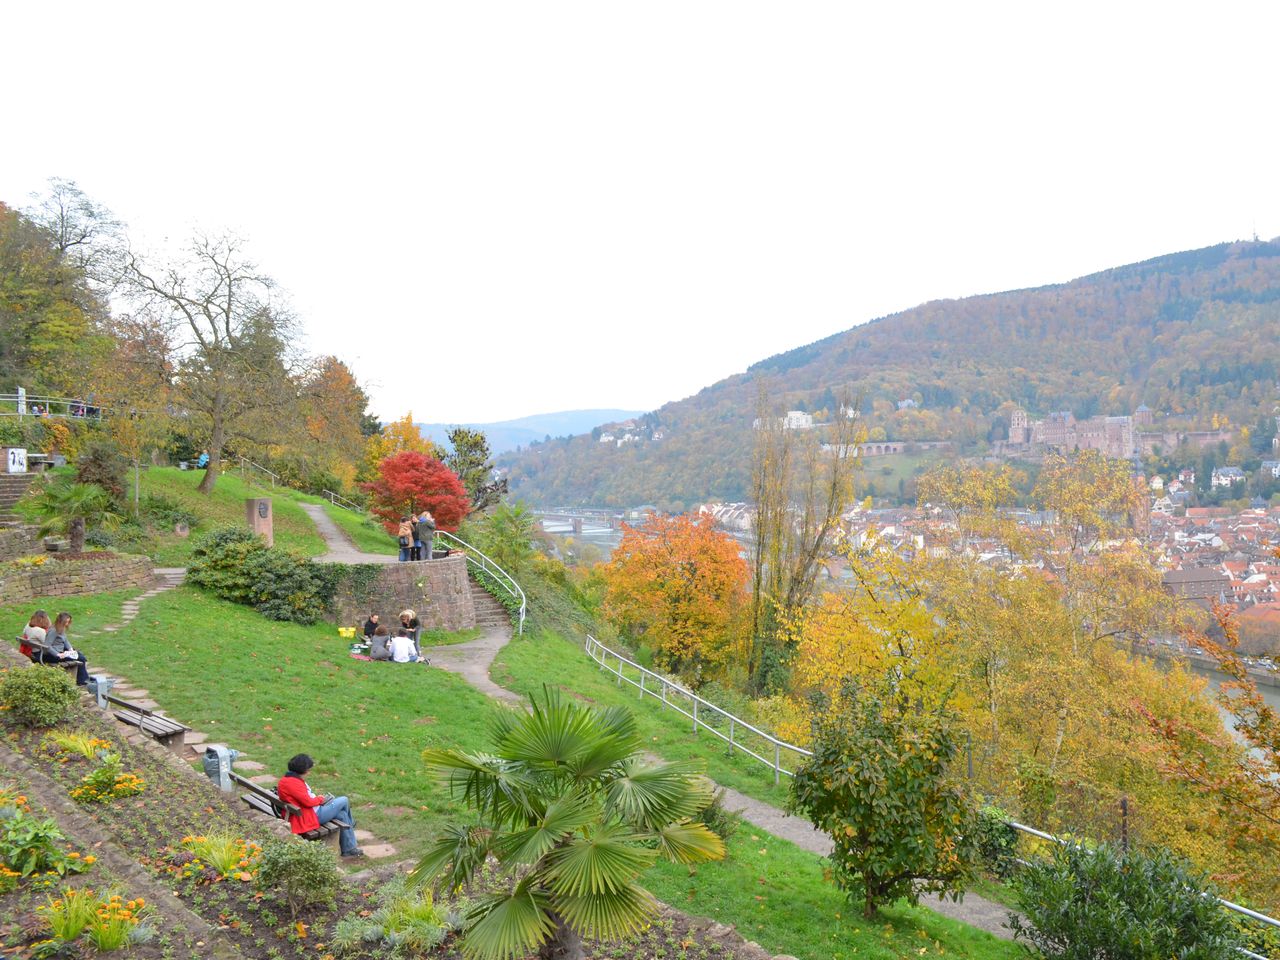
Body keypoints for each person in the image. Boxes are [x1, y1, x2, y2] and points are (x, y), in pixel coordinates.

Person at [275, 754, 363, 857]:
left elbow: (303, 799)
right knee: (344, 800)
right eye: (309, 769)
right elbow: (308, 802)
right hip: (310, 816)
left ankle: (349, 849)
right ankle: (351, 823)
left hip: (306, 812)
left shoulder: (287, 779)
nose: (310, 771)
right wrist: (320, 799)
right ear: (303, 769)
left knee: (342, 815)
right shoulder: (294, 783)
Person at [38, 612, 89, 685]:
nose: (67, 624)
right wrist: (58, 654)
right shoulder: (53, 631)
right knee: (80, 658)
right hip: (51, 656)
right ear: (61, 621)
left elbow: (65, 640)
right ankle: (82, 680)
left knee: (80, 656)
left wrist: (70, 649)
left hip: (60, 652)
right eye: (66, 622)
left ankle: (83, 679)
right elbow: (47, 646)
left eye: (69, 622)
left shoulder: (61, 628)